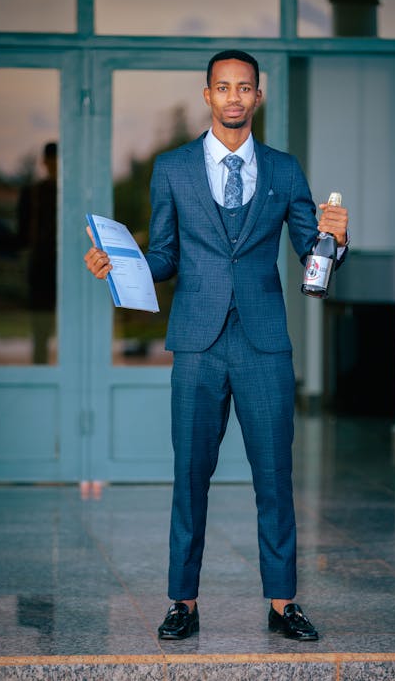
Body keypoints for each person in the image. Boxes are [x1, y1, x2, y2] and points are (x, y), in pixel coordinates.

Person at [84, 50, 349, 641]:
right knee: (190, 475)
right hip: (198, 343)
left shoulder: (284, 170)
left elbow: (313, 252)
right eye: (223, 87)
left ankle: (284, 604)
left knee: (275, 476)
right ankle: (183, 601)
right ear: (208, 95)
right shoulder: (172, 168)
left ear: (257, 98)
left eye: (245, 88)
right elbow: (166, 254)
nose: (234, 97)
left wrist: (337, 239)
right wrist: (118, 265)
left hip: (264, 344)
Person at [18, 141, 57, 364]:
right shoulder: (32, 194)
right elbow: (23, 236)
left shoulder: (74, 194)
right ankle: (40, 369)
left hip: (65, 268)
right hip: (42, 268)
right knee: (40, 330)